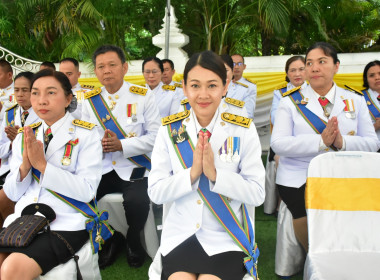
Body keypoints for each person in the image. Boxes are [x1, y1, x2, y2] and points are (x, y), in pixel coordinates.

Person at [148, 50, 265, 280]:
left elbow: (258, 193)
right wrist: (192, 174)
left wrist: (215, 175)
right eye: (195, 85)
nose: (203, 94)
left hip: (226, 236)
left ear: (225, 87)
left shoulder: (242, 129)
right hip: (181, 235)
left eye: (212, 85)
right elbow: (155, 192)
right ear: (184, 87)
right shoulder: (169, 130)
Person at [271, 42, 379, 252]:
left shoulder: (355, 100)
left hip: (346, 171)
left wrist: (342, 142)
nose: (314, 68)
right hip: (300, 173)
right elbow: (278, 144)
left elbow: (373, 143)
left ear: (336, 66)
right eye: (309, 63)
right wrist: (321, 142)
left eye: (322, 62)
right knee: (303, 211)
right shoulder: (290, 102)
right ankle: (314, 256)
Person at [0, 69, 103, 278]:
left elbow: (87, 191)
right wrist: (25, 167)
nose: (41, 100)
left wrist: (44, 166)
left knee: (12, 268)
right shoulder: (24, 136)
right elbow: (11, 192)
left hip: (65, 221)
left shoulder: (87, 134)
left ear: (68, 99)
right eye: (35, 93)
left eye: (51, 93)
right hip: (24, 220)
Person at [82, 45, 161, 268]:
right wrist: (101, 145)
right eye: (101, 67)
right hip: (103, 167)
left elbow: (156, 137)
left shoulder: (143, 95)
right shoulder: (90, 101)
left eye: (112, 65)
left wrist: (122, 145)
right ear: (96, 72)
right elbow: (87, 138)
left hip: (133, 165)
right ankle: (110, 239)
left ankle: (133, 242)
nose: (106, 71)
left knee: (137, 201)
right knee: (83, 197)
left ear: (124, 67)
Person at [264, 56, 308, 215]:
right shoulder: (280, 92)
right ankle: (281, 204)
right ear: (287, 74)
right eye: (293, 70)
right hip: (285, 140)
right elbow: (276, 117)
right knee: (282, 162)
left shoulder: (316, 90)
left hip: (309, 141)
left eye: (301, 69)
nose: (298, 74)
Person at [0, 72, 40, 228]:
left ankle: (14, 232)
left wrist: (21, 140)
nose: (20, 94)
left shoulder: (43, 112)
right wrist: (12, 144)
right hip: (9, 167)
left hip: (33, 170)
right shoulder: (9, 113)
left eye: (25, 90)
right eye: (16, 90)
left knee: (3, 200)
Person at [230, 54, 257, 118]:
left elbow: (249, 113)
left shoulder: (250, 86)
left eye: (239, 64)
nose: (236, 67)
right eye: (233, 64)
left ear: (244, 67)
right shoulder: (222, 84)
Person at [361, 60, 380, 143]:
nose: (377, 78)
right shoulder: (359, 98)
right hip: (372, 149)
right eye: (372, 75)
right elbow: (354, 130)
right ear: (366, 79)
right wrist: (377, 125)